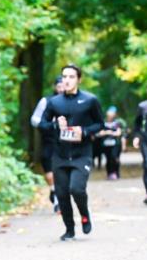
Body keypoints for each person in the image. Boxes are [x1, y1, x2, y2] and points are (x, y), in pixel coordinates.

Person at [37, 64, 104, 241]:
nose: (66, 80)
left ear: (79, 79)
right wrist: (54, 125)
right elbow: (42, 124)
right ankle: (69, 229)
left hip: (82, 154)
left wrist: (85, 132)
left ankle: (84, 214)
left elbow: (100, 124)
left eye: (71, 77)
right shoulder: (55, 102)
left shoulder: (90, 100)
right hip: (60, 154)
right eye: (64, 76)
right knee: (62, 193)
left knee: (76, 189)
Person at [31, 76, 65, 213]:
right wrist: (47, 125)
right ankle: (53, 190)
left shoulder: (74, 101)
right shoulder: (46, 101)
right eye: (59, 86)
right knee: (50, 173)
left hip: (65, 143)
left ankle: (58, 200)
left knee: (62, 173)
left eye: (64, 86)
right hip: (49, 141)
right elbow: (34, 119)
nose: (62, 89)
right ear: (55, 87)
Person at [95, 106, 126, 179]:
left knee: (114, 157)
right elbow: (99, 133)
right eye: (109, 113)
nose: (110, 114)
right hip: (105, 144)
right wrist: (108, 132)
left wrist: (108, 132)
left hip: (116, 144)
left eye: (112, 113)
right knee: (108, 159)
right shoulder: (103, 122)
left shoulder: (118, 122)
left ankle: (116, 172)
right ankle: (109, 173)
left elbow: (119, 133)